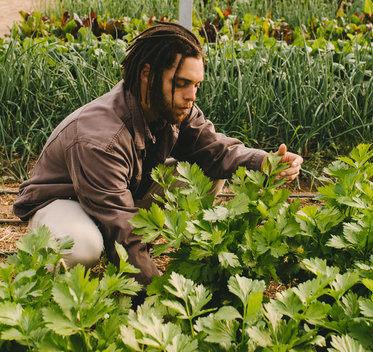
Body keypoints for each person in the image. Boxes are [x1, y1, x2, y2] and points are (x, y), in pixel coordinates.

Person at [12, 22, 303, 285]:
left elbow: (216, 150)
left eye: (196, 85)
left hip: (116, 199)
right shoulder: (101, 139)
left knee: (206, 174)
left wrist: (266, 162)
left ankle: (153, 255)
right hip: (64, 202)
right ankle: (51, 276)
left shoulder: (171, 107)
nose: (192, 96)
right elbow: (123, 227)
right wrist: (164, 298)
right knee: (83, 246)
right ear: (147, 74)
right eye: (182, 84)